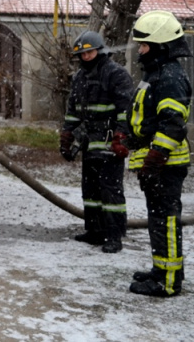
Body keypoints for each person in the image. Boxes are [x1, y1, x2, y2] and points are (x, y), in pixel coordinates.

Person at [127, 10, 192, 297]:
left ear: (160, 46)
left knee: (166, 221)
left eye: (144, 45)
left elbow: (173, 125)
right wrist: (128, 137)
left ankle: (168, 282)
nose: (140, 50)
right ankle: (161, 269)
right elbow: (147, 118)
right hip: (158, 163)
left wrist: (155, 159)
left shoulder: (169, 77)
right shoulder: (157, 74)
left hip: (166, 164)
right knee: (159, 220)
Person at [59, 30, 134, 253]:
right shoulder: (79, 78)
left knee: (110, 191)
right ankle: (94, 231)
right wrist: (67, 134)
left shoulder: (116, 74)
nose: (86, 57)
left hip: (110, 142)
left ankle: (114, 237)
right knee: (90, 190)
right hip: (89, 142)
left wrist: (121, 136)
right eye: (82, 54)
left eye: (89, 52)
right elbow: (73, 110)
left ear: (100, 51)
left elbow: (126, 110)